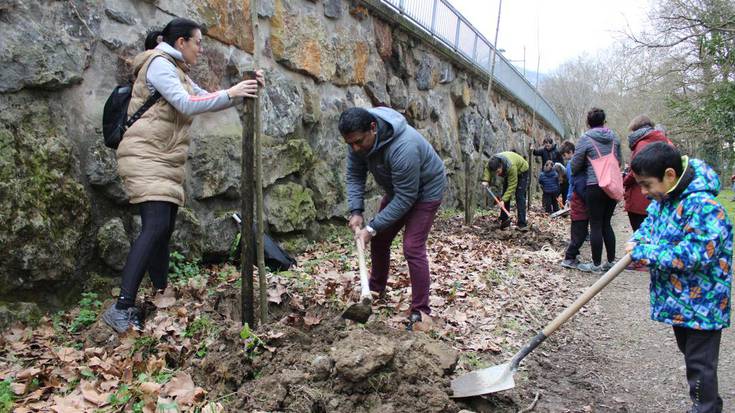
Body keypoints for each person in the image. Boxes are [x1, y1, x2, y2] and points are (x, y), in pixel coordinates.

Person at [103, 18, 265, 334]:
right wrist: (232, 91)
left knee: (163, 229)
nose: (201, 49)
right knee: (156, 226)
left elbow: (206, 97)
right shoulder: (160, 65)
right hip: (145, 156)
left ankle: (161, 294)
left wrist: (242, 90)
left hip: (162, 158)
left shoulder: (177, 72)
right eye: (198, 42)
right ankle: (122, 307)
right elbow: (187, 104)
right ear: (181, 43)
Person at [625, 142, 731, 413]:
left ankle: (705, 408)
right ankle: (705, 405)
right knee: (693, 358)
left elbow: (694, 254)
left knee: (700, 365)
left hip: (703, 304)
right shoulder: (665, 200)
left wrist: (646, 252)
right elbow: (649, 227)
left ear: (670, 175)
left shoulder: (704, 207)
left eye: (647, 185)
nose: (645, 193)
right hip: (680, 302)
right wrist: (638, 240)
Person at [340, 106, 446, 331]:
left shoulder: (403, 147)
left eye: (358, 141)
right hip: (400, 189)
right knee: (380, 238)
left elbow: (407, 198)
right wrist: (356, 211)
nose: (355, 148)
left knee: (412, 247)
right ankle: (375, 289)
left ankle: (421, 311)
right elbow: (355, 175)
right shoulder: (357, 142)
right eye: (350, 144)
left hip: (426, 190)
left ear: (373, 128)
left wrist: (372, 227)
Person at [571, 108, 622, 273]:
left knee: (596, 224)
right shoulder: (615, 137)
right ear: (604, 121)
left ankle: (596, 264)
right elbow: (619, 160)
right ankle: (611, 261)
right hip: (612, 184)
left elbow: (575, 165)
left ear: (588, 123)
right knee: (607, 223)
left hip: (594, 185)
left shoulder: (585, 139)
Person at [623, 115, 672, 232]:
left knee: (642, 233)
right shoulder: (664, 141)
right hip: (659, 195)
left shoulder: (641, 144)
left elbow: (636, 170)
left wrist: (624, 181)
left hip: (639, 199)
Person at [559, 141, 590, 270]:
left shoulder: (573, 163)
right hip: (578, 200)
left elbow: (573, 183)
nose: (565, 158)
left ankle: (572, 255)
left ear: (570, 152)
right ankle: (569, 257)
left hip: (577, 199)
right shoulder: (573, 164)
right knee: (578, 231)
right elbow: (573, 183)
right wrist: (569, 197)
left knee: (578, 230)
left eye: (565, 155)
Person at [482, 151, 529, 229]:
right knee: (505, 194)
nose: (497, 174)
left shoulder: (511, 167)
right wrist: (486, 180)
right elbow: (487, 168)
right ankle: (505, 219)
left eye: (498, 171)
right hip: (508, 171)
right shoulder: (492, 161)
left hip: (522, 171)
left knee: (519, 196)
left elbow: (512, 185)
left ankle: (522, 223)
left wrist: (503, 200)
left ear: (501, 166)